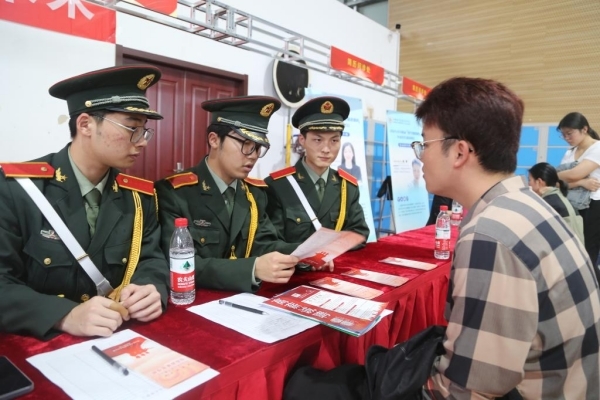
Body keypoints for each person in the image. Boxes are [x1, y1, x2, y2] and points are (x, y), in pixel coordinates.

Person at [285, 78, 600, 399]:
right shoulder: (526, 204)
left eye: (424, 144)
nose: (420, 157)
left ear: (460, 152)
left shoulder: (490, 235)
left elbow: (464, 392)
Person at [0, 65, 169, 340]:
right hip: (40, 346)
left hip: (119, 341)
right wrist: (62, 314)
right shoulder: (17, 189)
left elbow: (151, 258)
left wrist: (151, 288)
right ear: (86, 124)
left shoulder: (139, 197)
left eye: (144, 131)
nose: (142, 142)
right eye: (132, 128)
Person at [155, 96, 299, 293]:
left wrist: (305, 253)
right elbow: (181, 264)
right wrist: (252, 269)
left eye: (258, 147)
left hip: (243, 300)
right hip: (195, 300)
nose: (254, 156)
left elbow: (264, 244)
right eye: (246, 144)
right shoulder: (174, 193)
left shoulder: (254, 194)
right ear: (214, 140)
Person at [264, 96, 370, 252]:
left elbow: (359, 232)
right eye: (318, 140)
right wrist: (310, 255)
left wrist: (330, 250)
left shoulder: (347, 186)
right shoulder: (278, 186)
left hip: (335, 270)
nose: (326, 149)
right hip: (293, 272)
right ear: (302, 140)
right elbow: (269, 241)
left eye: (334, 141)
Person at [556, 112, 600, 267]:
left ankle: (590, 286)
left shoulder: (597, 148)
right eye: (563, 135)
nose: (567, 138)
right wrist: (581, 183)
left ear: (584, 129)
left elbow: (574, 173)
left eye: (570, 133)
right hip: (571, 203)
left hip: (593, 205)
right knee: (573, 245)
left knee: (588, 248)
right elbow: (556, 181)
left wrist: (572, 177)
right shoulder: (570, 152)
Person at [529, 162, 584, 242]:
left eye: (529, 180)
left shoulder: (546, 204)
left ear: (539, 182)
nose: (528, 184)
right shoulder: (561, 198)